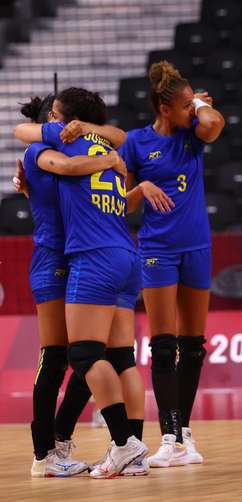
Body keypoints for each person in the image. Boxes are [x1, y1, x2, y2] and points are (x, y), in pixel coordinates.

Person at [14, 88, 149, 477]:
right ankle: (46, 452)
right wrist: (108, 158)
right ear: (50, 121)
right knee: (58, 356)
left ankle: (70, 441)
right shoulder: (42, 151)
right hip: (55, 257)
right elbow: (62, 168)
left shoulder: (80, 142)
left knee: (90, 356)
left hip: (82, 254)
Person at [120, 60, 224, 467]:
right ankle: (169, 436)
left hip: (197, 246)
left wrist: (197, 103)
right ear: (164, 108)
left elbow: (213, 124)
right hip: (157, 248)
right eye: (184, 105)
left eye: (192, 104)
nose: (191, 111)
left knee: (193, 347)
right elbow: (116, 201)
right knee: (163, 345)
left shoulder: (192, 136)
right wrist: (142, 187)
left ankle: (184, 434)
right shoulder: (135, 142)